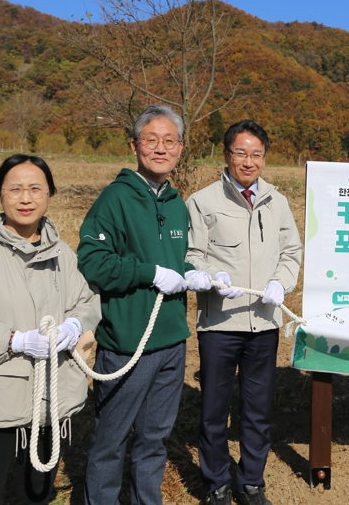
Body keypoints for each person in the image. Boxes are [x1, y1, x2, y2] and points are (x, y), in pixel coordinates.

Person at [0, 154, 100, 505]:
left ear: (49, 194)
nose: (26, 199)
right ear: (0, 194)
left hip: (52, 395)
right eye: (15, 189)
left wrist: (75, 324)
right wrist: (14, 340)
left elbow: (87, 302)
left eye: (35, 189)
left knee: (36, 493)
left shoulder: (63, 255)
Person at [79, 105, 211, 505]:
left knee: (155, 439)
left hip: (172, 340)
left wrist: (194, 272)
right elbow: (92, 262)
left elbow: (176, 258)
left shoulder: (175, 202)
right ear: (134, 145)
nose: (160, 148)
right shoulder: (115, 199)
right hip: (127, 341)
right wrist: (148, 273)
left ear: (181, 148)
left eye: (169, 141)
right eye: (151, 140)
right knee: (110, 440)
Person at [185, 120, 302, 505]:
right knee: (214, 410)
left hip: (264, 321)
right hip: (220, 323)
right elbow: (191, 256)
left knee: (257, 409)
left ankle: (252, 481)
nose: (248, 161)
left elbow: (291, 253)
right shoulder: (202, 202)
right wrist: (209, 277)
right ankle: (216, 482)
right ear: (226, 155)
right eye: (241, 152)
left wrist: (280, 285)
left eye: (256, 154)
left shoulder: (277, 201)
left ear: (264, 158)